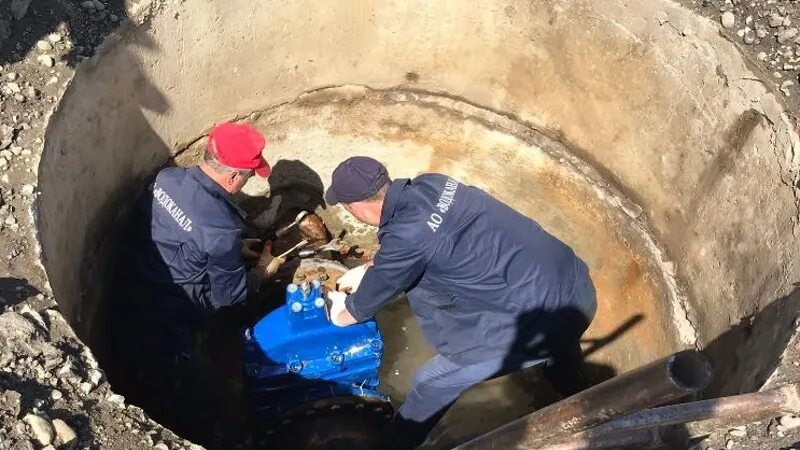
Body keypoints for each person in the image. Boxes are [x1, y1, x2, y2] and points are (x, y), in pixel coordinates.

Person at [325, 156, 597, 448]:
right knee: (560, 341)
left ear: (354, 206)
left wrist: (337, 309)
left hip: (541, 323)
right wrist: (370, 269)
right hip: (576, 288)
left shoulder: (406, 238)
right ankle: (573, 387)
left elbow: (355, 312)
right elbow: (431, 242)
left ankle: (393, 445)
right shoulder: (434, 184)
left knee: (431, 384)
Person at [114, 122, 285, 438]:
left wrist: (234, 249)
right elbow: (229, 298)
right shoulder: (220, 228)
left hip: (133, 286)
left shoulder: (167, 179)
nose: (245, 183)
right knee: (183, 384)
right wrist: (262, 273)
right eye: (248, 177)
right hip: (173, 313)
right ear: (234, 176)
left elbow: (182, 233)